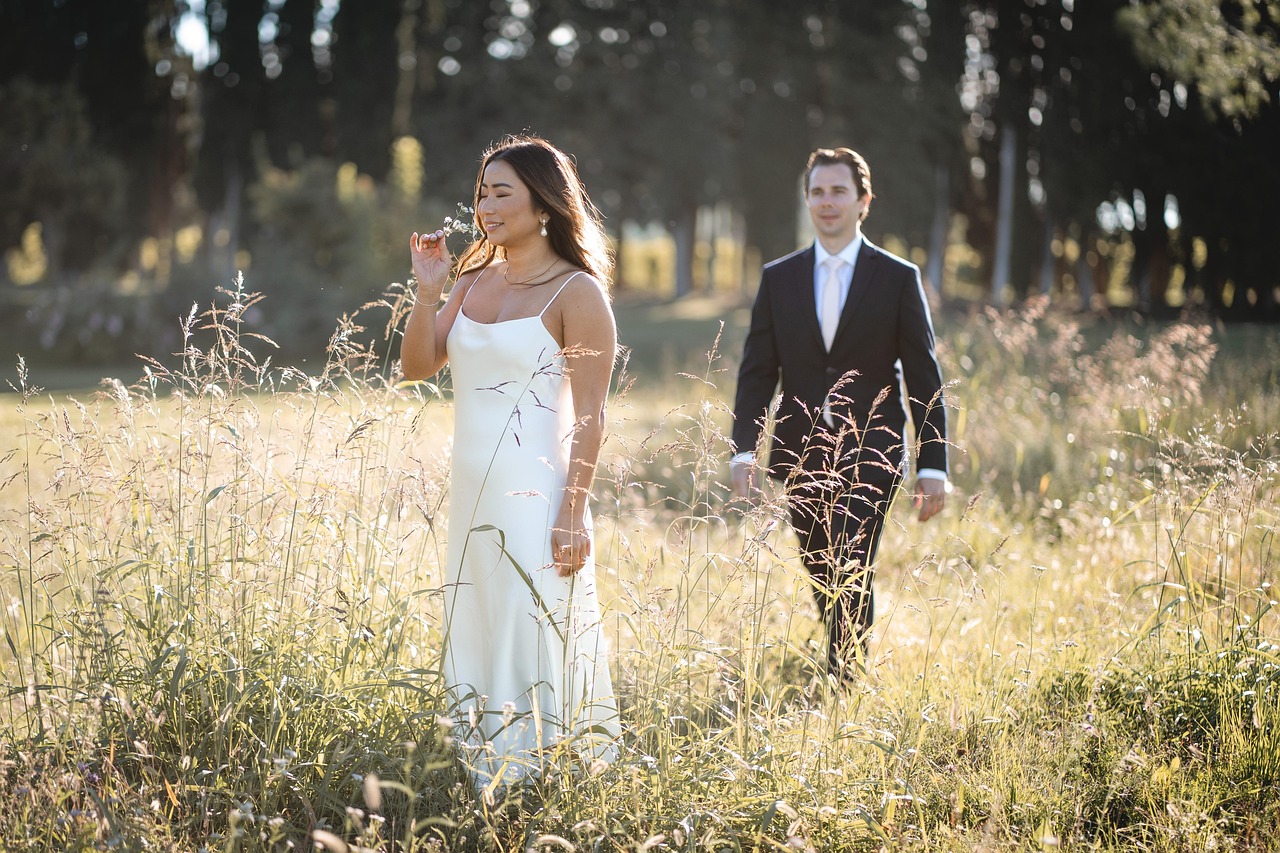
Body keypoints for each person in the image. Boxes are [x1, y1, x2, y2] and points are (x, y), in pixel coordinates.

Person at [400, 134, 620, 788]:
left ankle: (548, 775)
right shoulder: (471, 280)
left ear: (544, 204)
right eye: (481, 193)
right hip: (471, 494)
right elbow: (417, 367)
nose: (486, 206)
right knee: (480, 622)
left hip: (537, 496)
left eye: (502, 193)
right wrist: (428, 292)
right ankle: (485, 766)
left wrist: (572, 513)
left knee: (533, 626)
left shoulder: (577, 293)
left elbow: (591, 417)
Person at [730, 147, 948, 684]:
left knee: (852, 556)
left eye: (839, 191)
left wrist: (933, 465)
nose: (827, 202)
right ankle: (840, 643)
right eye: (818, 192)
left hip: (874, 445)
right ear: (807, 200)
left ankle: (843, 677)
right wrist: (743, 450)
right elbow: (758, 371)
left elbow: (924, 376)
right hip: (799, 445)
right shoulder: (779, 278)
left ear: (863, 201)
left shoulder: (897, 277)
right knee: (818, 560)